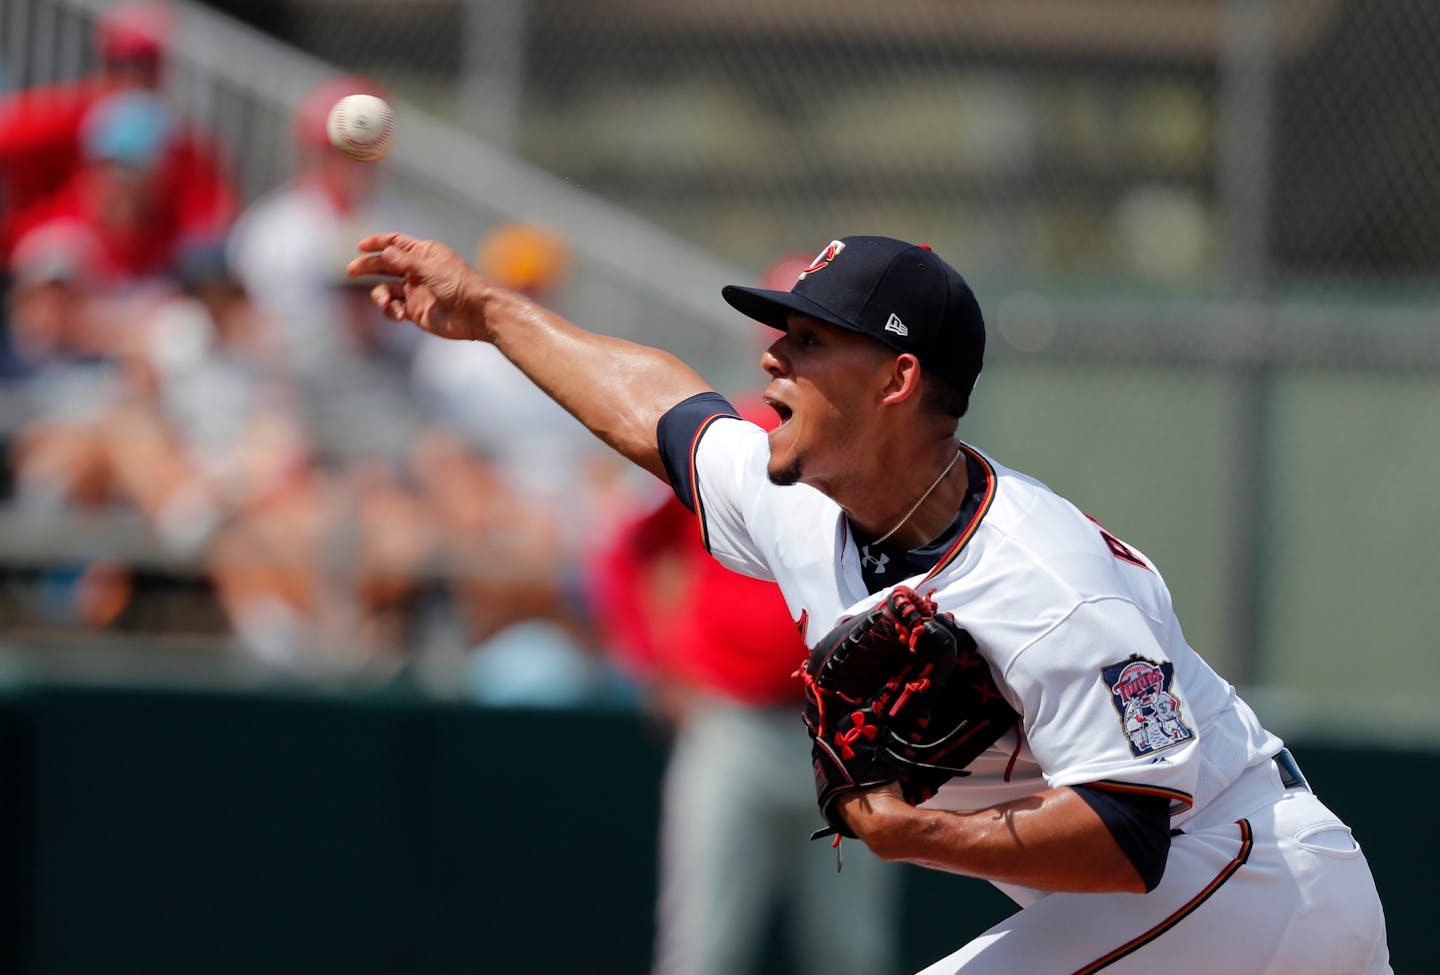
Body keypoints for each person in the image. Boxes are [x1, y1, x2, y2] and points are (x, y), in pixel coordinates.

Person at [347, 231, 1391, 974]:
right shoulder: (806, 504)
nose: (771, 356)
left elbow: (1129, 837)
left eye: (808, 339)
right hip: (1178, 911)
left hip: (1248, 886)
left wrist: (914, 834)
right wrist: (488, 310)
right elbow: (658, 411)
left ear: (896, 382)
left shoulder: (1045, 580)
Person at [591, 397, 899, 975]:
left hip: (849, 735)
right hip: (733, 723)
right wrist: (650, 662)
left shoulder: (882, 457)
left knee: (851, 951)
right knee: (704, 949)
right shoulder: (728, 443)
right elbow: (621, 551)